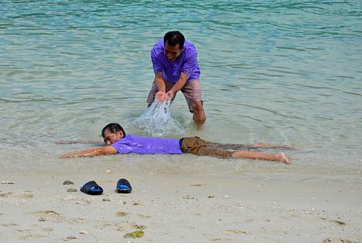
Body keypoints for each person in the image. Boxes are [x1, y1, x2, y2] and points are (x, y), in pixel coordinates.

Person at [61, 123, 291, 164]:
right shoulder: (129, 139)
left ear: (118, 134)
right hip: (189, 141)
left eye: (109, 138)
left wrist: (73, 155)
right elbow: (99, 144)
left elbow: (100, 151)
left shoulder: (122, 145)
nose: (107, 143)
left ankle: (275, 157)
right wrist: (69, 141)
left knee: (232, 155)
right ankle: (266, 146)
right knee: (230, 145)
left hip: (186, 147)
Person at [147, 31, 206, 124]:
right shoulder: (156, 50)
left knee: (197, 106)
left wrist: (172, 91)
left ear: (181, 49)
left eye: (174, 53)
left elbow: (183, 78)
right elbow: (158, 76)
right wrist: (162, 91)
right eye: (166, 51)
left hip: (189, 77)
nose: (169, 56)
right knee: (154, 105)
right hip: (166, 77)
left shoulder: (190, 51)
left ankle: (199, 133)